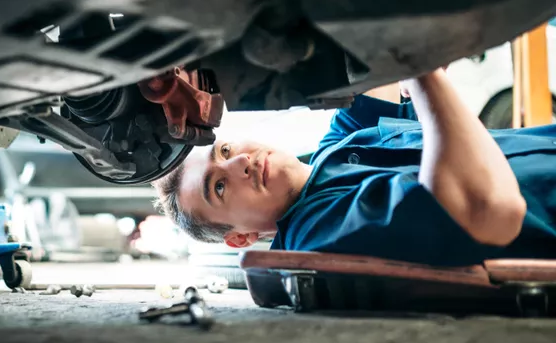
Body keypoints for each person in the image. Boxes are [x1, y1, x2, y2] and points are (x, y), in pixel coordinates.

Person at [153, 68, 556, 266]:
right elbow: (485, 211)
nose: (239, 162)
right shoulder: (315, 239)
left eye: (224, 150)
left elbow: (369, 69)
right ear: (241, 238)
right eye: (218, 188)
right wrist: (421, 70)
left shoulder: (333, 149)